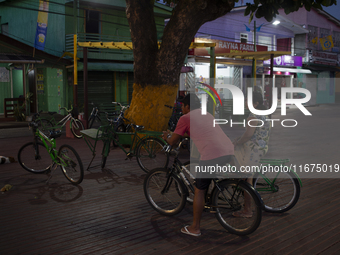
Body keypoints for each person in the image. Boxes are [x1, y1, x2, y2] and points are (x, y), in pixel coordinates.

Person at [162, 93, 234, 237]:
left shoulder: (185, 118)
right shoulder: (206, 114)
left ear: (188, 106)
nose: (182, 108)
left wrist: (166, 136)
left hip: (212, 154)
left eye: (183, 105)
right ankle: (212, 201)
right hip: (228, 150)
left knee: (199, 190)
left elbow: (172, 142)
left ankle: (195, 228)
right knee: (207, 180)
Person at [232, 91, 271, 217]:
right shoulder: (264, 114)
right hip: (261, 148)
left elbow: (248, 135)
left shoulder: (253, 116)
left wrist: (238, 141)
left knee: (246, 179)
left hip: (253, 151)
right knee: (247, 176)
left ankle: (247, 210)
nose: (245, 103)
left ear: (256, 103)